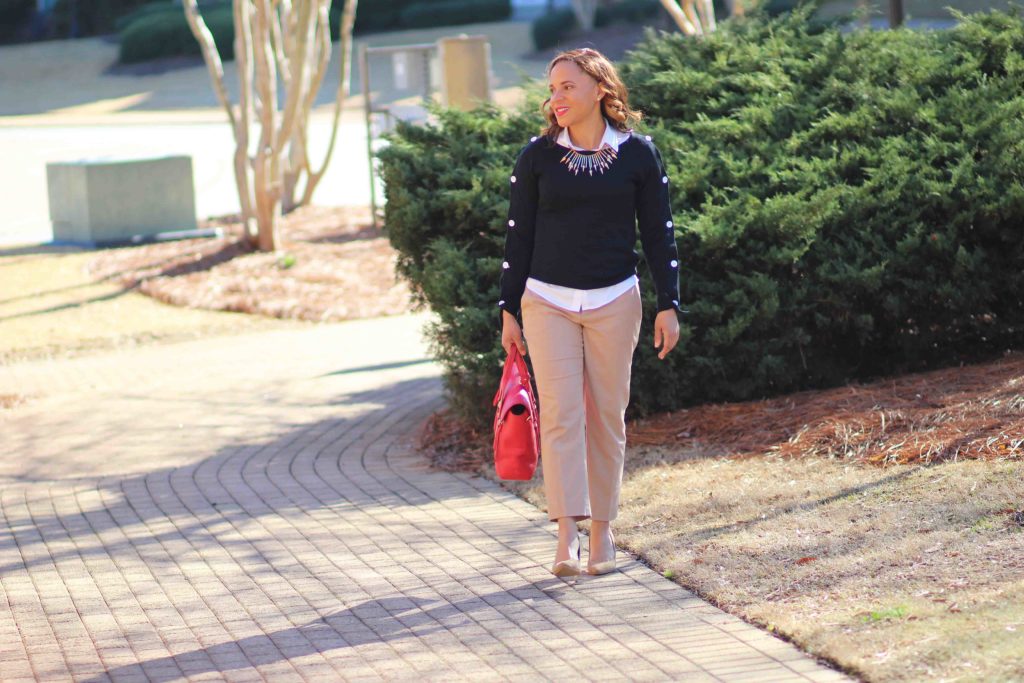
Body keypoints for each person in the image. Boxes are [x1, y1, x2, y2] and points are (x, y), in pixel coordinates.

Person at [498, 47, 682, 577]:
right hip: (547, 301)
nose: (556, 98)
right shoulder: (536, 158)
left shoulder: (639, 156)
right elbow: (520, 237)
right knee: (561, 418)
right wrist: (509, 307)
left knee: (606, 418)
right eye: (552, 88)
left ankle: (602, 535)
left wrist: (670, 303)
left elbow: (659, 233)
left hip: (614, 301)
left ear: (600, 89)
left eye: (567, 88)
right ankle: (566, 538)